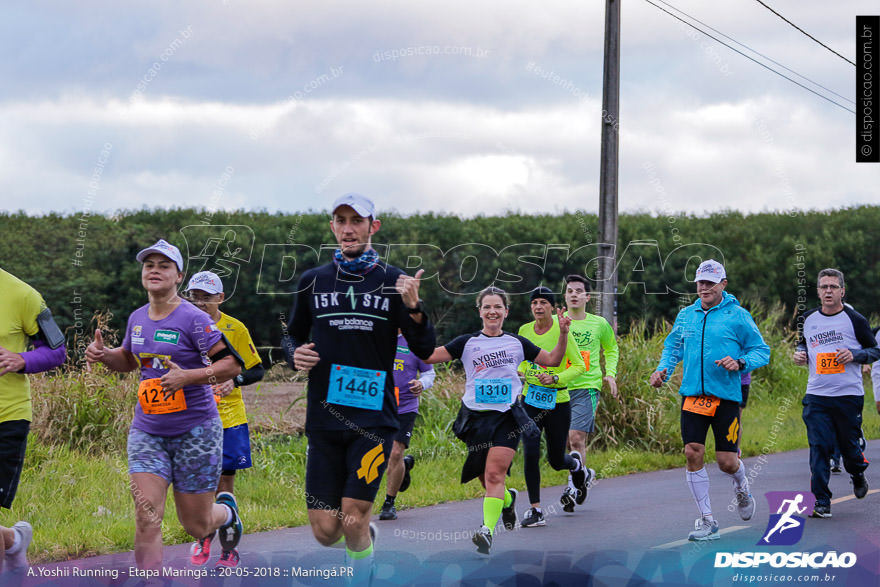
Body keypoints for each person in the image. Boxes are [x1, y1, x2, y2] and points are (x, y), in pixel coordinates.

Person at [283, 194, 435, 582]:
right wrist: (293, 354)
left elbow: (423, 347)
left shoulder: (394, 280)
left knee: (352, 514)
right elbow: (291, 336)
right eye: (341, 220)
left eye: (357, 221)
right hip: (324, 418)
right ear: (333, 227)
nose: (348, 228)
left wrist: (415, 309)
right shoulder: (312, 281)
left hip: (373, 420)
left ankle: (361, 572)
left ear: (373, 227)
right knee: (324, 531)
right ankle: (363, 537)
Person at [85, 239, 245, 571]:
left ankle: (227, 513)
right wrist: (104, 356)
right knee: (146, 515)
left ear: (178, 276)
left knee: (196, 526)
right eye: (149, 265)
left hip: (196, 432)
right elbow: (129, 360)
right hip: (148, 431)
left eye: (164, 266)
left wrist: (188, 377)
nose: (155, 270)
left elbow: (231, 364)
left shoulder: (193, 319)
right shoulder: (138, 318)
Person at [423, 286, 570, 554]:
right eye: (487, 307)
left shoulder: (517, 343)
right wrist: (413, 327)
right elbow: (429, 356)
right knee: (484, 476)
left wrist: (562, 333)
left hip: (507, 417)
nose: (493, 311)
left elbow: (553, 359)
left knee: (494, 473)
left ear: (506, 312)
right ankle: (507, 499)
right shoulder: (466, 342)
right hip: (475, 419)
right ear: (480, 312)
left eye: (497, 307)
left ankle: (486, 531)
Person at [650, 259, 770, 541]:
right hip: (692, 395)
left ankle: (742, 487)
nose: (704, 288)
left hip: (726, 397)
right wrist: (662, 371)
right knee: (692, 451)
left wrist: (740, 362)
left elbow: (761, 351)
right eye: (700, 283)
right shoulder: (686, 315)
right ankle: (707, 520)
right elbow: (672, 348)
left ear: (723, 285)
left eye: (710, 283)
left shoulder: (738, 316)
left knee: (727, 462)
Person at [185, 271, 264, 567]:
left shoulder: (236, 328)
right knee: (200, 482)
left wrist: (236, 380)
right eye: (194, 296)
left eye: (206, 297)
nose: (200, 303)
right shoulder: (183, 325)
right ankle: (204, 536)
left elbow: (257, 370)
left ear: (221, 298)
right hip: (192, 416)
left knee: (224, 483)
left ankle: (228, 548)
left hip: (229, 417)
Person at [793, 268, 879, 518]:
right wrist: (800, 354)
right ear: (818, 292)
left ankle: (857, 471)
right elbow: (803, 343)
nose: (828, 291)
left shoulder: (855, 320)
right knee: (819, 446)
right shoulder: (808, 319)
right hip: (817, 394)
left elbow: (875, 350)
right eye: (823, 287)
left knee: (849, 446)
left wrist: (855, 355)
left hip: (848, 395)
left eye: (833, 287)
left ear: (842, 290)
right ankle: (821, 501)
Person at [0, 268, 66, 573]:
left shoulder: (24, 295)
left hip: (6, 418)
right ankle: (13, 540)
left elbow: (57, 351)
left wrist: (22, 360)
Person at [517, 287, 589, 527]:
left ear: (552, 307)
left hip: (557, 402)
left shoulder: (562, 329)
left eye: (543, 303)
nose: (538, 307)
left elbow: (579, 366)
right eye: (534, 302)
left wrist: (557, 378)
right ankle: (535, 510)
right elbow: (522, 362)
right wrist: (523, 373)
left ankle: (577, 466)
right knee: (530, 451)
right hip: (530, 400)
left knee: (556, 460)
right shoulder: (524, 331)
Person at [562, 274, 618, 508]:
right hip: (560, 386)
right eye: (570, 291)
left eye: (578, 291)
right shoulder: (558, 322)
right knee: (565, 443)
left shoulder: (599, 324)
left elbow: (611, 348)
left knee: (576, 438)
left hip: (587, 387)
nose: (574, 294)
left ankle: (572, 488)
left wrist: (610, 374)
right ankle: (583, 475)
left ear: (587, 296)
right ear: (565, 296)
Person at [379, 330, 435, 521]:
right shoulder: (374, 334)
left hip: (405, 407)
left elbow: (429, 373)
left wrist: (421, 383)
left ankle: (389, 502)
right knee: (381, 455)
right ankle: (404, 466)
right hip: (377, 406)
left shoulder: (414, 340)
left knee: (395, 452)